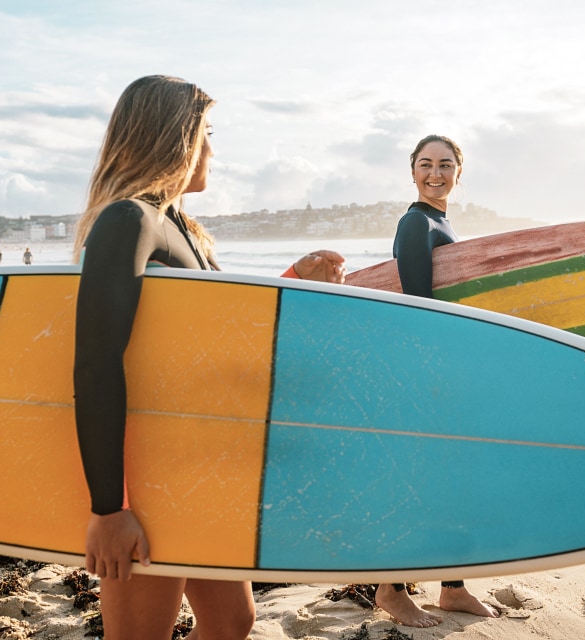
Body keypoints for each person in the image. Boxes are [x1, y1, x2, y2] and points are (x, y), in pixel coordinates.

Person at [73, 75, 345, 640]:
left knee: (231, 621)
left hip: (196, 465)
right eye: (206, 134)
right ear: (173, 139)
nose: (213, 151)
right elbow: (96, 364)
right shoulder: (128, 221)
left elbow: (202, 334)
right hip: (148, 477)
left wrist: (294, 278)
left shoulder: (176, 227)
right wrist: (109, 508)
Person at [372, 134, 500, 628]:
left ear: (459, 172)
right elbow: (418, 309)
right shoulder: (415, 223)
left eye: (445, 164)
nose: (435, 173)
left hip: (447, 369)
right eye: (426, 164)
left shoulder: (440, 222)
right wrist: (430, 378)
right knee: (421, 480)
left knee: (452, 480)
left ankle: (452, 587)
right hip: (425, 373)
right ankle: (391, 587)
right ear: (412, 171)